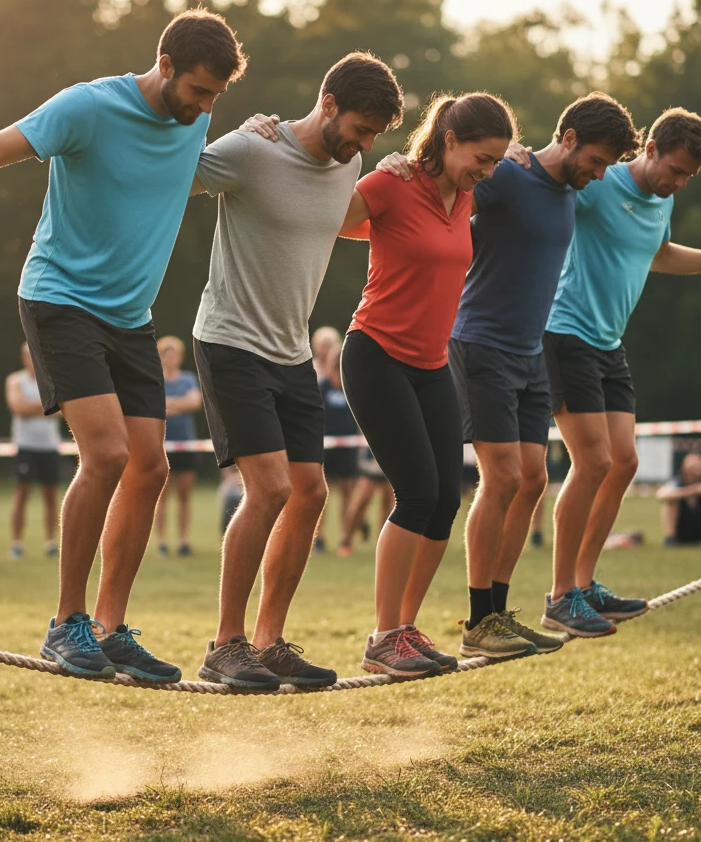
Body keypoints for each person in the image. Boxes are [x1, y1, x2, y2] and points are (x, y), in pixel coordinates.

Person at [0, 9, 248, 681]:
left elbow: (193, 172)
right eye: (199, 91)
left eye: (215, 98)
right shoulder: (87, 107)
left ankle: (110, 630)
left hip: (129, 315)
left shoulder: (193, 120)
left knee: (152, 467)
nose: (205, 108)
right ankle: (66, 624)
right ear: (164, 64)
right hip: (61, 298)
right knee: (108, 453)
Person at [378, 91, 641, 657]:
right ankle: (479, 622)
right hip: (480, 344)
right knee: (500, 477)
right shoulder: (506, 176)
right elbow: (441, 176)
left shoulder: (569, 191)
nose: (597, 176)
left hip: (529, 352)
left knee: (534, 478)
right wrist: (394, 164)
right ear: (568, 139)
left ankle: (497, 610)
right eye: (595, 161)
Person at [189, 52, 404, 690]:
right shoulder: (253, 150)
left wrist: (399, 171)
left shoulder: (352, 165)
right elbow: (173, 172)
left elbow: (345, 222)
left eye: (374, 137)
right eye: (361, 129)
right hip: (230, 341)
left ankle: (268, 642)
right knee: (273, 489)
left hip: (292, 352)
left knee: (311, 492)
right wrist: (219, 129)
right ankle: (225, 645)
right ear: (329, 103)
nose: (363, 144)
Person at [535, 107, 701, 637]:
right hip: (564, 333)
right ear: (648, 150)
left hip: (608, 343)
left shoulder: (660, 204)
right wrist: (517, 158)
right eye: (675, 169)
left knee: (623, 461)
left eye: (689, 176)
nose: (679, 182)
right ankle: (560, 597)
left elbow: (660, 254)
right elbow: (545, 179)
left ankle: (585, 582)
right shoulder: (600, 183)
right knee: (593, 461)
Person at [339, 91, 518, 677]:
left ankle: (404, 630)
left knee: (445, 499)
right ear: (449, 139)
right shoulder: (394, 183)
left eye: (495, 163)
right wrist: (355, 173)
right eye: (482, 158)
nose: (487, 172)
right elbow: (331, 216)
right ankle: (382, 637)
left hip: (432, 364)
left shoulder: (465, 197)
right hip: (377, 355)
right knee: (416, 494)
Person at [6, 342, 62, 560]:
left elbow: (63, 410)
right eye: (29, 355)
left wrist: (34, 408)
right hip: (25, 445)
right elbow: (17, 407)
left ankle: (50, 542)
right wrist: (46, 407)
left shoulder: (51, 379)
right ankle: (17, 543)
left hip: (49, 446)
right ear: (23, 358)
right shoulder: (15, 380)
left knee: (51, 495)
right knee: (22, 493)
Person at [155, 335, 203, 557]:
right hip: (161, 443)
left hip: (186, 442)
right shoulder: (155, 379)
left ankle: (183, 540)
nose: (171, 359)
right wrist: (178, 404)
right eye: (167, 354)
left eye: (175, 355)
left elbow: (195, 402)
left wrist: (170, 404)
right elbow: (154, 405)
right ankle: (162, 541)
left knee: (184, 495)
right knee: (160, 496)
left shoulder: (188, 379)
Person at [317, 340, 360, 553]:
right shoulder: (321, 387)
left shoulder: (351, 386)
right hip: (325, 449)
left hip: (348, 449)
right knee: (322, 493)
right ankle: (319, 538)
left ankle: (346, 537)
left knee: (347, 492)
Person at [657, 453, 701, 545]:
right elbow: (661, 495)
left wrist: (700, 490)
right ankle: (670, 538)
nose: (693, 471)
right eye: (691, 467)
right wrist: (693, 490)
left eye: (697, 467)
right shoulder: (676, 483)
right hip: (682, 530)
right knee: (671, 501)